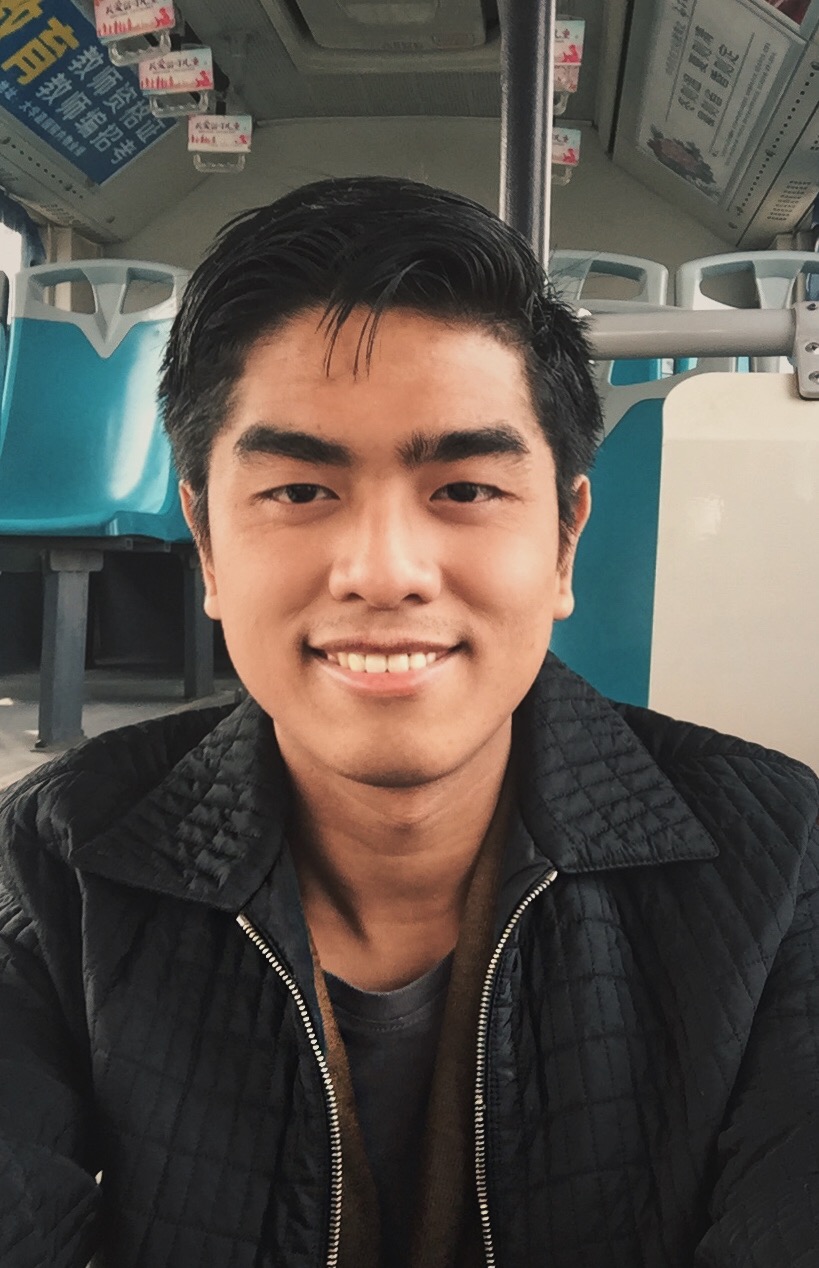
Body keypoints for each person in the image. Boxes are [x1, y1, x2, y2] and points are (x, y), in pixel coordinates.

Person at [0, 177, 817, 1268]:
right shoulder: (53, 863)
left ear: (565, 538)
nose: (383, 571)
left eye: (465, 489)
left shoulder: (777, 860)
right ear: (206, 543)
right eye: (300, 491)